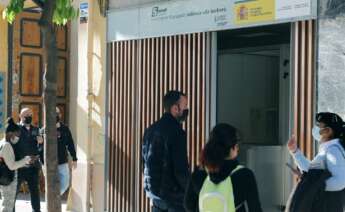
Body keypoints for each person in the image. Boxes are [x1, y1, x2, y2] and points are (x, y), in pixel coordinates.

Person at [184, 123, 262, 212]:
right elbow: (255, 209)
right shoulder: (244, 175)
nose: (238, 148)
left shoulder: (200, 172)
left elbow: (188, 204)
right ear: (231, 147)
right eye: (236, 144)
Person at [142, 91, 190, 212]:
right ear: (175, 108)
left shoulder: (150, 130)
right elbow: (180, 170)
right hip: (173, 199)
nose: (187, 110)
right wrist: (191, 191)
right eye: (185, 107)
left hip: (154, 196)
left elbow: (144, 161)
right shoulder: (177, 133)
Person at [287, 112, 345, 211]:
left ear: (328, 131)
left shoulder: (333, 151)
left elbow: (340, 181)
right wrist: (295, 151)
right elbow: (311, 170)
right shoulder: (327, 149)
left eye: (318, 126)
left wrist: (313, 184)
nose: (315, 128)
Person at [39, 107, 78, 195]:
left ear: (59, 115)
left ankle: (55, 195)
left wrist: (74, 158)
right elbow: (39, 149)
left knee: (65, 183)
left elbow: (70, 144)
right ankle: (52, 199)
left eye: (56, 113)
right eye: (53, 113)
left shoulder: (65, 129)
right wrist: (43, 163)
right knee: (50, 184)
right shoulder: (43, 130)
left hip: (62, 162)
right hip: (48, 163)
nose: (55, 116)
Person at [0, 118, 34, 212]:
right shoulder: (6, 145)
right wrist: (26, 159)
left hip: (5, 179)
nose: (17, 138)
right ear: (10, 133)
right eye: (17, 135)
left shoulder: (3, 143)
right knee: (7, 207)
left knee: (7, 206)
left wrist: (24, 162)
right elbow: (12, 166)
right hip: (8, 181)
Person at [13, 108, 43, 212]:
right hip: (19, 166)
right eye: (26, 115)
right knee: (14, 192)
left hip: (32, 167)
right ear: (20, 116)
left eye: (30, 114)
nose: (29, 116)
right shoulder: (15, 129)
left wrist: (41, 143)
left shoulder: (36, 129)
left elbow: (39, 149)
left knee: (35, 191)